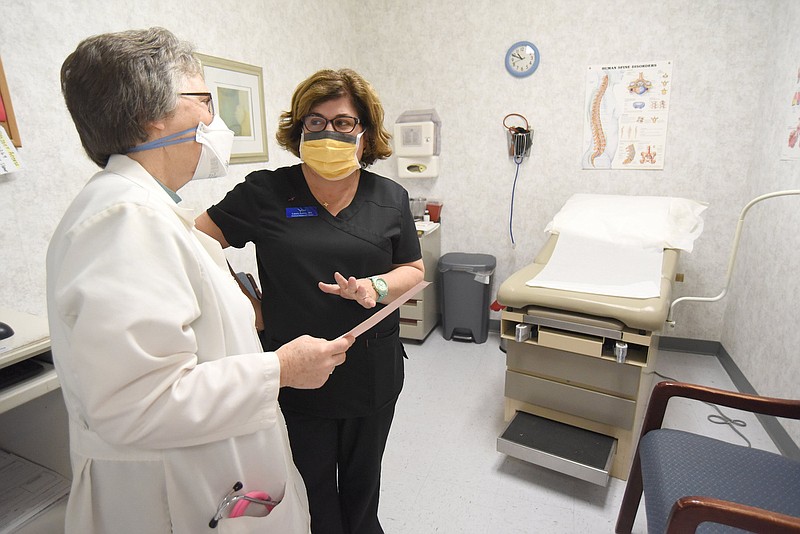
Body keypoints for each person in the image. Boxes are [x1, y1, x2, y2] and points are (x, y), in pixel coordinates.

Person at [48, 27, 353, 534]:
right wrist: (280, 368)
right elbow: (138, 403)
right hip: (168, 499)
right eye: (203, 101)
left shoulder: (142, 208)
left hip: (203, 479)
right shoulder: (125, 219)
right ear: (152, 116)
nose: (213, 121)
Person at [195, 68, 424, 533]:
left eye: (342, 122)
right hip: (295, 373)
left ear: (364, 131)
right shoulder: (266, 192)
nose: (327, 132)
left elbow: (414, 271)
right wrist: (247, 303)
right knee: (309, 484)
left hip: (371, 370)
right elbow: (195, 244)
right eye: (314, 122)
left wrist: (374, 288)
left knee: (363, 484)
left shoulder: (390, 197)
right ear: (299, 128)